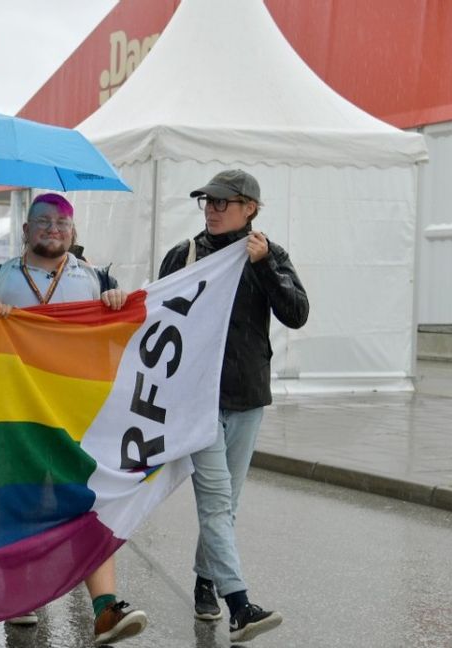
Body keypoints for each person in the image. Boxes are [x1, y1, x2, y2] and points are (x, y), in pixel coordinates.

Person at [0, 193, 147, 645]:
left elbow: (122, 332)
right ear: (24, 231)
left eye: (62, 223)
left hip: (75, 409)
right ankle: (23, 597)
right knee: (20, 503)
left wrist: (115, 301)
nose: (52, 229)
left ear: (73, 232)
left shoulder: (96, 279)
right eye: (42, 221)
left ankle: (104, 608)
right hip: (14, 410)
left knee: (88, 499)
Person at [158, 169, 308, 643]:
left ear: (250, 209)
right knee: (217, 502)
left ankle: (206, 580)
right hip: (197, 400)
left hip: (247, 397)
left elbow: (297, 313)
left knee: (227, 505)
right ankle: (240, 605)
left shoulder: (268, 254)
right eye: (208, 202)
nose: (213, 209)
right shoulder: (184, 255)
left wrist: (264, 265)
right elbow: (155, 314)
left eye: (224, 203)